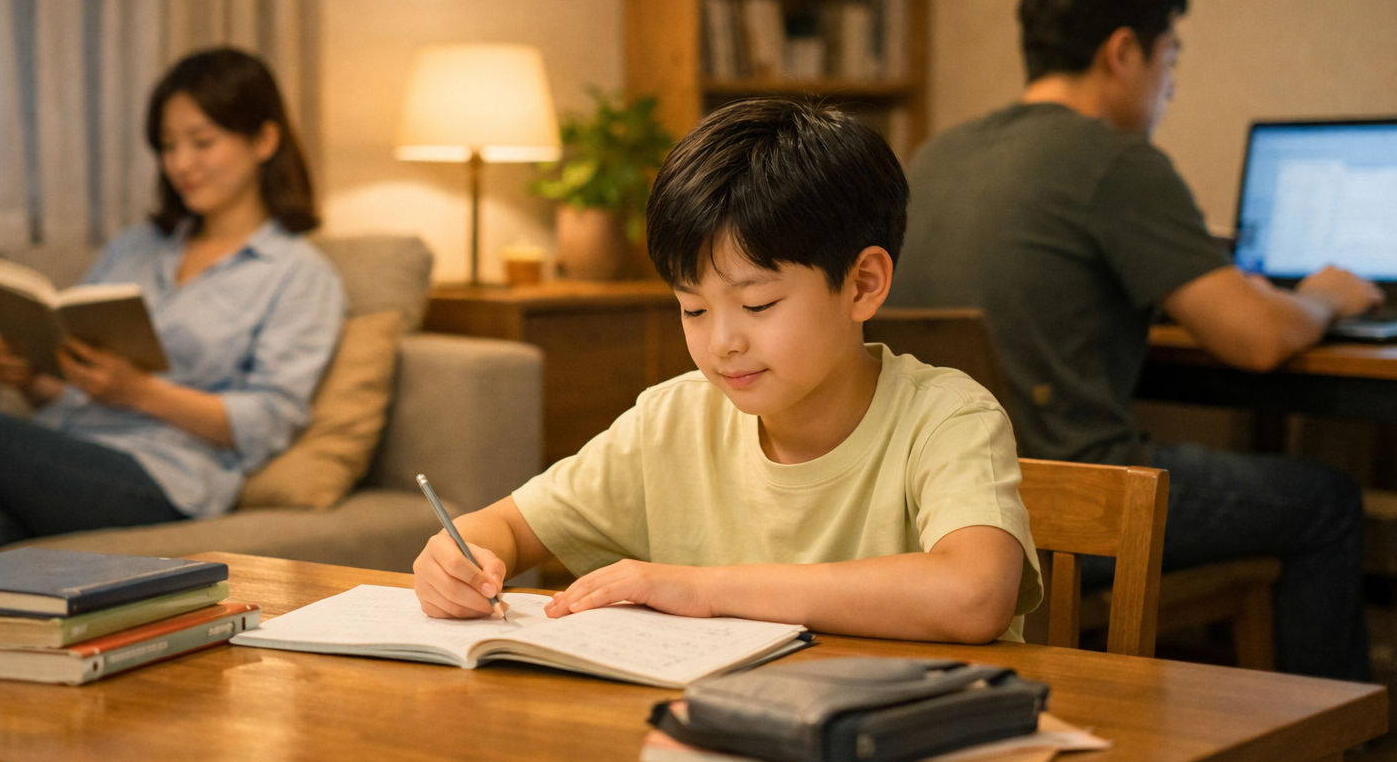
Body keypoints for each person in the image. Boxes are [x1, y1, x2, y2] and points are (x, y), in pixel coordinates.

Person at [888, 0, 1381, 680]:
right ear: (1122, 52)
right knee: (1329, 501)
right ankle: (1332, 735)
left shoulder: (936, 156)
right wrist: (1329, 295)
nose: (1171, 86)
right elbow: (1256, 339)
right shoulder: (1115, 160)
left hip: (945, 504)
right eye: (1170, 58)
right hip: (1072, 506)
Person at [413, 98, 1043, 643]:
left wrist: (706, 589)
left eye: (758, 304)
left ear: (862, 284)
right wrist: (460, 558)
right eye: (692, 308)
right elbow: (506, 527)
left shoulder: (946, 418)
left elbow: (973, 594)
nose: (721, 343)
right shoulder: (673, 420)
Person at [0, 48, 345, 574]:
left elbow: (270, 421)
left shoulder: (298, 273)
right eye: (168, 146)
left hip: (165, 477)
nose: (181, 164)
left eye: (202, 142)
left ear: (264, 141)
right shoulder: (135, 247)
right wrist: (32, 377)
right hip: (71, 451)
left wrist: (141, 392)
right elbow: (77, 381)